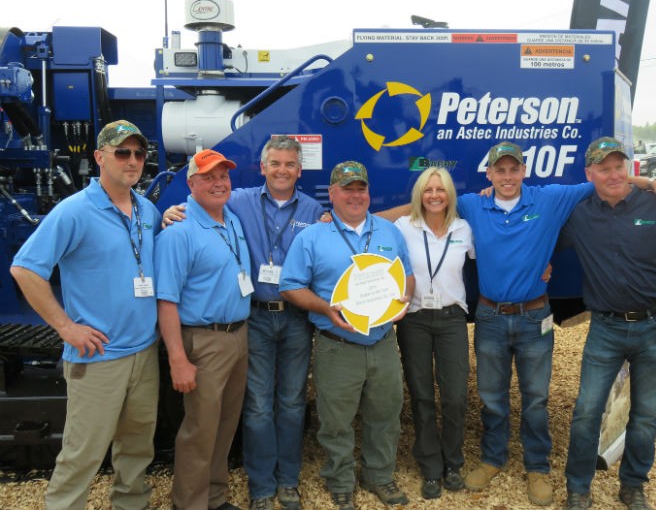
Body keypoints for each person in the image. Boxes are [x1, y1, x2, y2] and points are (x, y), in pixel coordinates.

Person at [458, 141, 656, 506]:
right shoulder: (472, 203)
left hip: (535, 317)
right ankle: (492, 458)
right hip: (489, 317)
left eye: (514, 169)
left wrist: (654, 184)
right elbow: (425, 203)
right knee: (491, 397)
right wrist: (340, 217)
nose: (507, 177)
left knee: (536, 399)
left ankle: (537, 466)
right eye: (499, 170)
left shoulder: (549, 198)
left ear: (524, 171)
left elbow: (609, 181)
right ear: (489, 175)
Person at [163, 136, 324, 510]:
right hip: (255, 319)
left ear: (299, 170)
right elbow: (199, 204)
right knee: (256, 408)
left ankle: (288, 482)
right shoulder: (237, 201)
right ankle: (262, 487)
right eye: (275, 163)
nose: (282, 170)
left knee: (291, 403)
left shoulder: (315, 211)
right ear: (263, 167)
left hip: (297, 320)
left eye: (289, 164)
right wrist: (170, 212)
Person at [10, 120, 160, 510]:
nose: (132, 160)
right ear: (99, 157)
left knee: (136, 447)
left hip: (144, 352)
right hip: (98, 358)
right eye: (121, 152)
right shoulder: (74, 211)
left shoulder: (148, 210)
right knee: (83, 453)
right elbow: (25, 269)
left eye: (139, 154)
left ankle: (131, 503)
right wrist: (66, 327)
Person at [561, 137, 656, 510]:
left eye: (619, 166)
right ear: (589, 173)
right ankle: (577, 487)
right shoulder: (579, 214)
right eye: (603, 168)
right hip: (605, 329)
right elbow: (537, 231)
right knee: (587, 409)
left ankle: (633, 484)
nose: (613, 174)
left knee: (645, 413)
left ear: (629, 167)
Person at [278, 161, 414, 510]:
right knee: (335, 420)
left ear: (368, 193)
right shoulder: (312, 236)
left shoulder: (388, 232)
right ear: (333, 193)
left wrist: (405, 298)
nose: (355, 195)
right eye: (347, 189)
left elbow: (407, 274)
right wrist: (326, 309)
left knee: (386, 414)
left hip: (383, 342)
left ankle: (379, 476)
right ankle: (339, 478)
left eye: (361, 189)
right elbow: (290, 286)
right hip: (337, 346)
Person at [155, 149, 252, 510]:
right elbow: (166, 301)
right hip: (204, 340)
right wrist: (178, 359)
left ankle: (214, 497)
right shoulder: (178, 231)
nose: (218, 183)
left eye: (223, 176)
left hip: (238, 335)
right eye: (209, 177)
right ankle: (190, 503)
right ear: (190, 183)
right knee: (199, 430)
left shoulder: (232, 222)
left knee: (225, 425)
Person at [393, 168, 474, 500]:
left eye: (441, 189)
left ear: (450, 194)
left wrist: (542, 266)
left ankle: (453, 462)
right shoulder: (403, 228)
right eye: (429, 190)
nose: (435, 195)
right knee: (422, 396)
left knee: (455, 396)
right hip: (414, 320)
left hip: (453, 318)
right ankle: (430, 467)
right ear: (419, 194)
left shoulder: (463, 228)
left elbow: (500, 252)